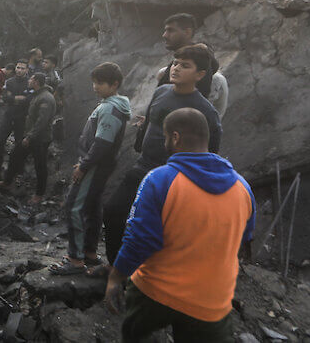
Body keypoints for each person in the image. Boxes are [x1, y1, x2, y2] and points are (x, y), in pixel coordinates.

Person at [105, 108, 254, 342]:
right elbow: (243, 241)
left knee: (133, 334)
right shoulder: (243, 188)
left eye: (165, 137)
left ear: (175, 137)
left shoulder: (160, 179)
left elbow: (140, 240)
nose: (165, 142)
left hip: (156, 293)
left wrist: (116, 277)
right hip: (212, 303)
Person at [98, 44, 223, 278]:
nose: (176, 68)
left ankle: (151, 278)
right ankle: (116, 267)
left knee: (158, 229)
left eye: (185, 66)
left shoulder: (204, 110)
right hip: (143, 166)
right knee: (114, 212)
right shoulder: (162, 91)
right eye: (175, 63)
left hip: (173, 179)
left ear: (200, 74)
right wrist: (140, 143)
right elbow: (149, 123)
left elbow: (213, 145)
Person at [50, 62, 130, 276]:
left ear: (114, 84)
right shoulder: (111, 105)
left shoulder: (111, 109)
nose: (95, 87)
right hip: (98, 164)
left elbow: (102, 143)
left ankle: (75, 259)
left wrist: (84, 165)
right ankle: (89, 252)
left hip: (94, 165)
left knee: (74, 206)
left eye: (100, 83)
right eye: (94, 82)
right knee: (93, 206)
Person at [146, 13, 229, 116]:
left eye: (171, 30)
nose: (165, 35)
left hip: (193, 120)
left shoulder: (208, 71)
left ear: (187, 32)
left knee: (217, 78)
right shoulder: (169, 70)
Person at [0, 73, 55, 204]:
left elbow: (42, 122)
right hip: (30, 135)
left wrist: (29, 136)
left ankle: (39, 195)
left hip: (40, 139)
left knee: (40, 165)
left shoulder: (46, 98)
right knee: (15, 155)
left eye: (31, 79)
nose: (29, 81)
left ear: (36, 82)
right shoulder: (38, 95)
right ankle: (7, 182)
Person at [0, 61, 30, 178]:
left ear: (27, 70)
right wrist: (16, 98)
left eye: (22, 68)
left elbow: (29, 99)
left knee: (20, 144)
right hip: (8, 115)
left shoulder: (29, 83)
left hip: (22, 117)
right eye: (18, 68)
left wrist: (13, 98)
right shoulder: (9, 82)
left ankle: (18, 169)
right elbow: (5, 97)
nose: (19, 70)